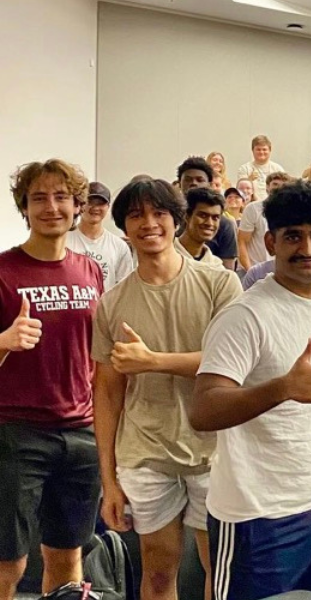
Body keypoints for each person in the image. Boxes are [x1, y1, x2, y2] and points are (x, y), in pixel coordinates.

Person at [190, 180, 311, 600]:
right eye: (293, 236)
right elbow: (203, 409)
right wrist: (282, 388)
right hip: (257, 513)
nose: (308, 248)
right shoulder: (245, 315)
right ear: (271, 241)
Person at [93, 179, 241, 600]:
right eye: (137, 215)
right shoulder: (112, 303)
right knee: (158, 572)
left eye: (159, 213)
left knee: (220, 571)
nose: (149, 224)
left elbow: (230, 367)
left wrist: (153, 361)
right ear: (123, 226)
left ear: (177, 221)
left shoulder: (220, 284)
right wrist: (109, 481)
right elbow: (106, 393)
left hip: (214, 450)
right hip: (145, 452)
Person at [0, 159, 103, 599]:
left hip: (81, 432)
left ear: (77, 206)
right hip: (16, 433)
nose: (51, 207)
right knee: (9, 560)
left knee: (67, 556)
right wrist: (3, 339)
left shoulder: (91, 271)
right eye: (39, 198)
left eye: (62, 197)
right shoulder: (4, 271)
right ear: (25, 207)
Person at [66, 181, 133, 290]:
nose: (95, 207)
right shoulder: (64, 240)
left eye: (100, 203)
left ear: (108, 207)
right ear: (79, 205)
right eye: (90, 202)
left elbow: (125, 288)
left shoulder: (119, 246)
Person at [176, 188, 226, 268]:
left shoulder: (216, 268)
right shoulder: (165, 255)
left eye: (215, 218)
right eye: (203, 215)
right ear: (187, 216)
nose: (209, 223)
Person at [236, 135, 284, 202]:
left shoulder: (278, 169)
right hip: (251, 205)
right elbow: (240, 192)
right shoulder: (244, 169)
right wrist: (249, 180)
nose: (261, 152)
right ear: (253, 150)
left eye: (264, 149)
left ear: (270, 150)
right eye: (258, 149)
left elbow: (284, 190)